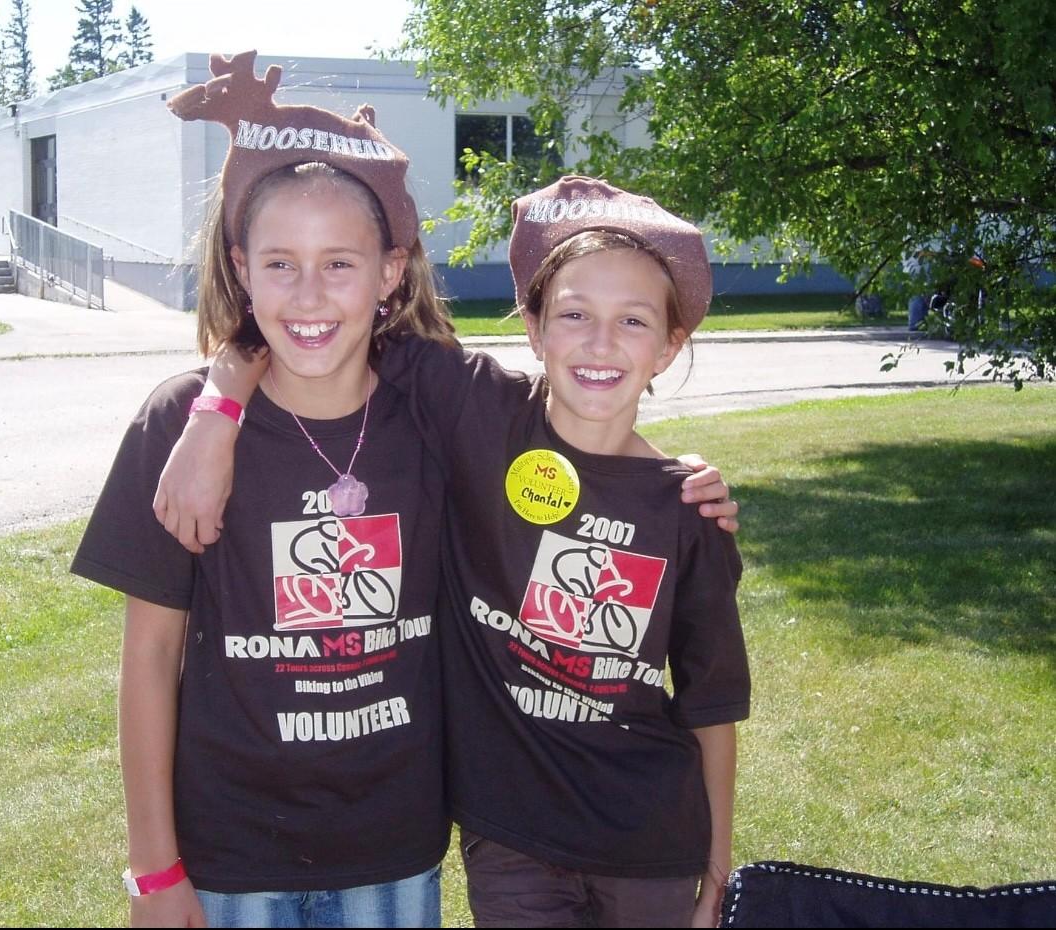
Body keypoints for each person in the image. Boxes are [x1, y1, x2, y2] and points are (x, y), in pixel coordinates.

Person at [159, 176, 748, 928]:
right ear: (533, 329)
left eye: (633, 321)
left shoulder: (688, 511)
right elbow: (322, 309)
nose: (600, 343)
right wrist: (219, 402)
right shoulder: (476, 411)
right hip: (509, 841)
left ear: (669, 348)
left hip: (650, 841)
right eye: (572, 314)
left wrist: (717, 870)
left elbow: (712, 702)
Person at [72, 50, 458, 928]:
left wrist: (678, 484)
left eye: (340, 264)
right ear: (241, 267)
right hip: (227, 858)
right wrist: (153, 873)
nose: (309, 294)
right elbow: (150, 660)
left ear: (392, 271)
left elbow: (568, 437)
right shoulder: (177, 425)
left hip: (390, 853)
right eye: (279, 263)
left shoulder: (437, 415)